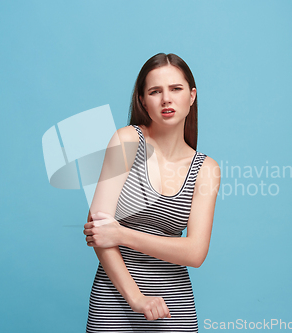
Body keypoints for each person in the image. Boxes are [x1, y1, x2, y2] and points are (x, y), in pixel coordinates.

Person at [83, 53, 221, 332]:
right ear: (143, 101)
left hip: (174, 308)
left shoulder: (206, 168)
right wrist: (136, 299)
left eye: (176, 89)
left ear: (192, 96)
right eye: (155, 91)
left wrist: (122, 234)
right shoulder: (126, 141)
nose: (166, 99)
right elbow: (98, 233)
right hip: (115, 303)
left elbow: (195, 253)